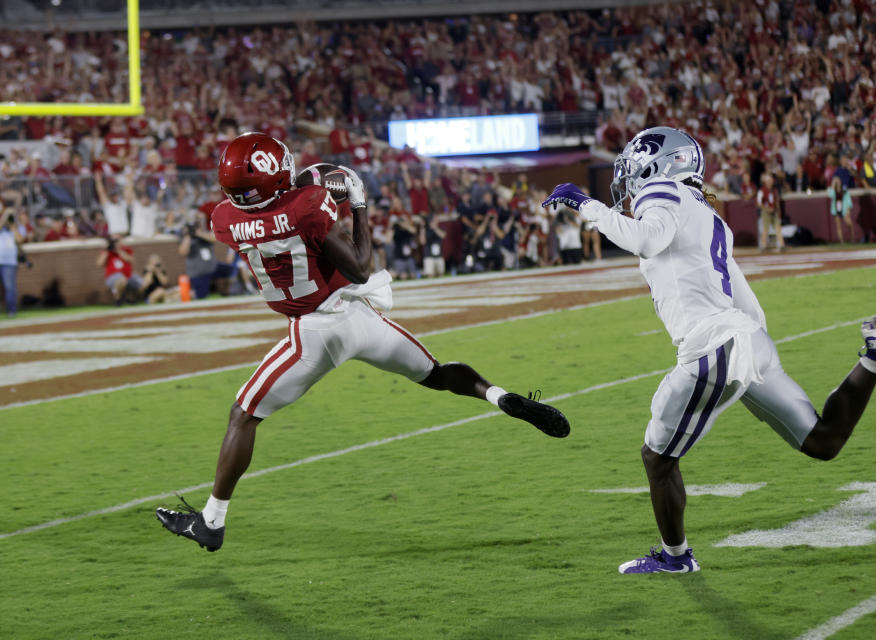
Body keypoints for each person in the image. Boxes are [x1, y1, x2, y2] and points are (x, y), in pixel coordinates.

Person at [543, 126, 876, 575]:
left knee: (656, 456)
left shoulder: (662, 190)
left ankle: (676, 559)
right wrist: (756, 356)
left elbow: (645, 240)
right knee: (820, 441)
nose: (629, 176)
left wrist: (586, 204)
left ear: (659, 162)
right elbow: (746, 300)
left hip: (714, 343)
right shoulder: (708, 214)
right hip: (745, 340)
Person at [156, 132, 570, 552]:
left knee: (243, 414)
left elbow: (269, 211)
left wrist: (303, 192)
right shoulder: (306, 206)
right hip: (358, 316)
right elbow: (359, 267)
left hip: (313, 332)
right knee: (436, 373)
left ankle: (212, 520)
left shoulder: (224, 219)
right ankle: (498, 396)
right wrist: (357, 203)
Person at [96, 236, 142, 304]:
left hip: (128, 276)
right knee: (122, 279)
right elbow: (99, 263)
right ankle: (118, 299)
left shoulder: (125, 250)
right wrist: (107, 250)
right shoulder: (107, 252)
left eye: (117, 241)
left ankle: (129, 297)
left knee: (141, 282)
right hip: (113, 276)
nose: (116, 243)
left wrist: (118, 250)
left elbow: (130, 259)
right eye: (114, 242)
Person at [0, 213, 24, 317]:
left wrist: (13, 227)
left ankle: (11, 311)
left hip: (9, 263)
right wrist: (3, 219)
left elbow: (20, 240)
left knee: (10, 288)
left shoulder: (16, 229)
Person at [757, 172, 783, 251]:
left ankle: (782, 244)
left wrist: (778, 211)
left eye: (771, 181)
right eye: (768, 181)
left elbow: (777, 201)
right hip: (766, 211)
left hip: (774, 210)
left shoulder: (774, 190)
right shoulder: (762, 191)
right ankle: (763, 245)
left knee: (778, 227)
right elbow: (759, 203)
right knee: (766, 228)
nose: (770, 183)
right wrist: (766, 208)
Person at [827, 175, 854, 243]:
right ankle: (842, 241)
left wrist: (848, 209)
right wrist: (833, 184)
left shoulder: (844, 189)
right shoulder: (832, 189)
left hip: (844, 209)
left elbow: (848, 199)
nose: (838, 182)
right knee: (838, 226)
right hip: (836, 210)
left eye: (838, 180)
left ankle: (852, 239)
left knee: (849, 224)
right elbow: (830, 195)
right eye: (836, 181)